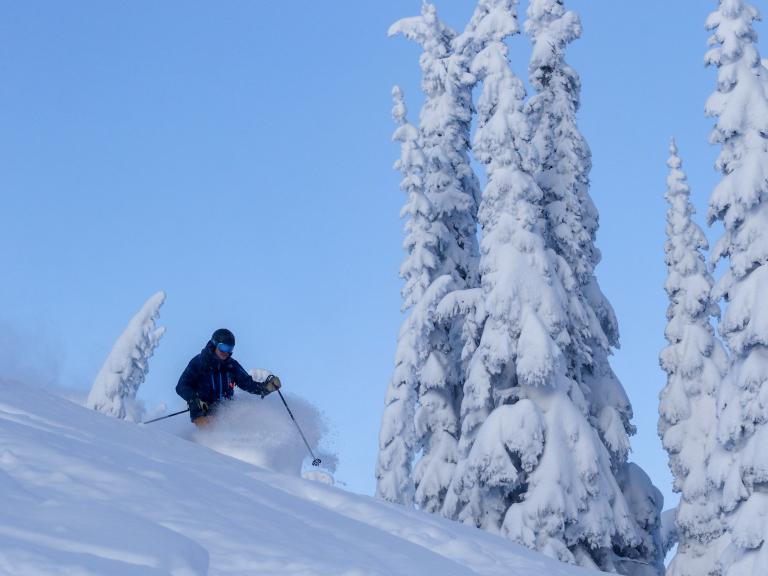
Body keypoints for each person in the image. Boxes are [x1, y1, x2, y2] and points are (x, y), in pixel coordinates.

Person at [176, 328, 281, 426]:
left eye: (230, 348)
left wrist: (266, 388)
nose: (226, 352)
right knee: (211, 429)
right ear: (215, 344)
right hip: (202, 411)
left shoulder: (231, 365)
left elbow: (247, 383)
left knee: (241, 424)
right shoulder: (199, 363)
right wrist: (194, 399)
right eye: (223, 347)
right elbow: (181, 386)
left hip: (224, 412)